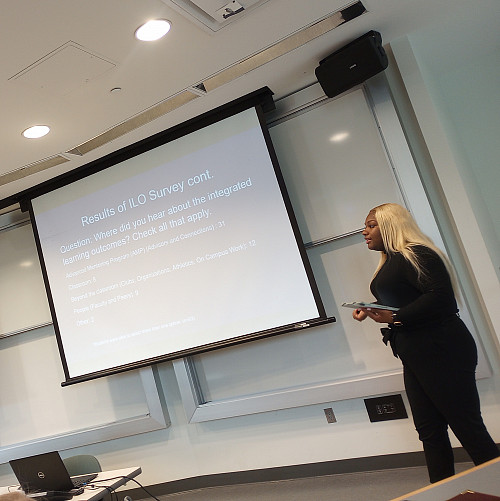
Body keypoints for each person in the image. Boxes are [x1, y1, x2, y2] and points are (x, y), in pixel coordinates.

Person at [352, 202, 499, 483]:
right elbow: (405, 300)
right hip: (416, 353)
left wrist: (394, 319)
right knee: (429, 431)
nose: (364, 232)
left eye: (371, 225)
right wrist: (371, 308)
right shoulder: (390, 261)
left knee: (467, 427)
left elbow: (441, 298)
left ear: (391, 225)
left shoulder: (417, 254)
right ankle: (442, 491)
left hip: (441, 348)